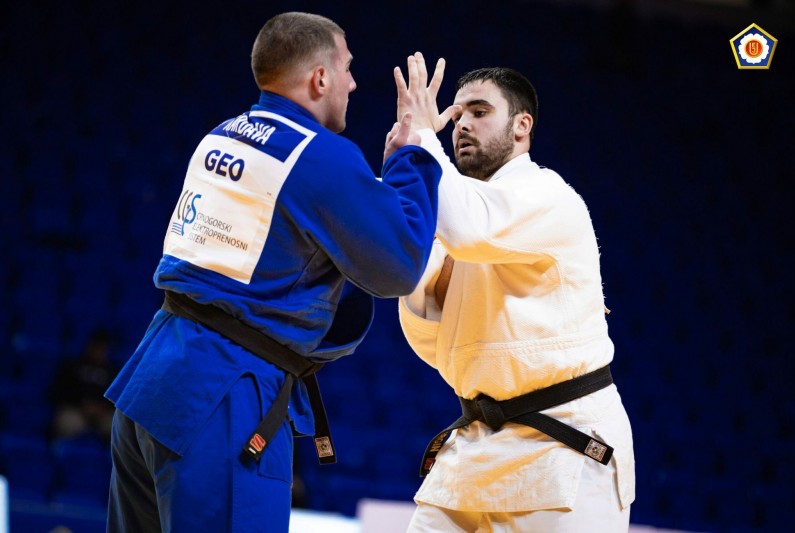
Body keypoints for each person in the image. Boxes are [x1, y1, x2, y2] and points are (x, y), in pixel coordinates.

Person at [104, 14, 442, 533]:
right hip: (223, 397)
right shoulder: (318, 155)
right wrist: (414, 153)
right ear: (320, 78)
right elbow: (399, 266)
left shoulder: (222, 135)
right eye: (347, 68)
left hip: (153, 381)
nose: (354, 82)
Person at [393, 53, 635, 531]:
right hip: (476, 446)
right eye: (455, 117)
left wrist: (423, 138)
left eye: (480, 112)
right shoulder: (461, 211)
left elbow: (471, 231)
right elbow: (432, 334)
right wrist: (403, 168)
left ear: (522, 126)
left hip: (563, 442)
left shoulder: (548, 195)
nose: (462, 125)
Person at [50, 328, 119, 442]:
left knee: (118, 427)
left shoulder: (112, 372)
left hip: (102, 414)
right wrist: (82, 404)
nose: (99, 352)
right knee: (67, 423)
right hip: (76, 411)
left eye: (102, 349)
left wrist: (101, 408)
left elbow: (118, 399)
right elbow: (60, 392)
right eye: (96, 348)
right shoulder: (73, 367)